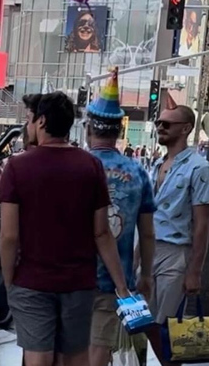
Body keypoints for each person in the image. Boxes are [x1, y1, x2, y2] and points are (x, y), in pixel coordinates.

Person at [0, 91, 128, 366]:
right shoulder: (90, 165)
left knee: (38, 358)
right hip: (78, 283)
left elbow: (9, 236)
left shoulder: (17, 166)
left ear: (42, 121)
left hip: (31, 281)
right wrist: (121, 285)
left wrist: (10, 281)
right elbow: (102, 232)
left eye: (30, 119)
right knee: (75, 356)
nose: (28, 125)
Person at [83, 69, 156, 366]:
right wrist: (146, 273)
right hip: (116, 280)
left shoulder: (77, 166)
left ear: (89, 129)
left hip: (71, 276)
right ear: (118, 132)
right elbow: (148, 233)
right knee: (100, 345)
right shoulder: (138, 172)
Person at [146, 105, 209, 365]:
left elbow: (203, 223)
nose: (160, 127)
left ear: (185, 129)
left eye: (167, 124)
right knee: (146, 323)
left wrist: (194, 270)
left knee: (169, 326)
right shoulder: (157, 164)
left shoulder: (199, 167)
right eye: (159, 122)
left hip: (176, 253)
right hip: (151, 252)